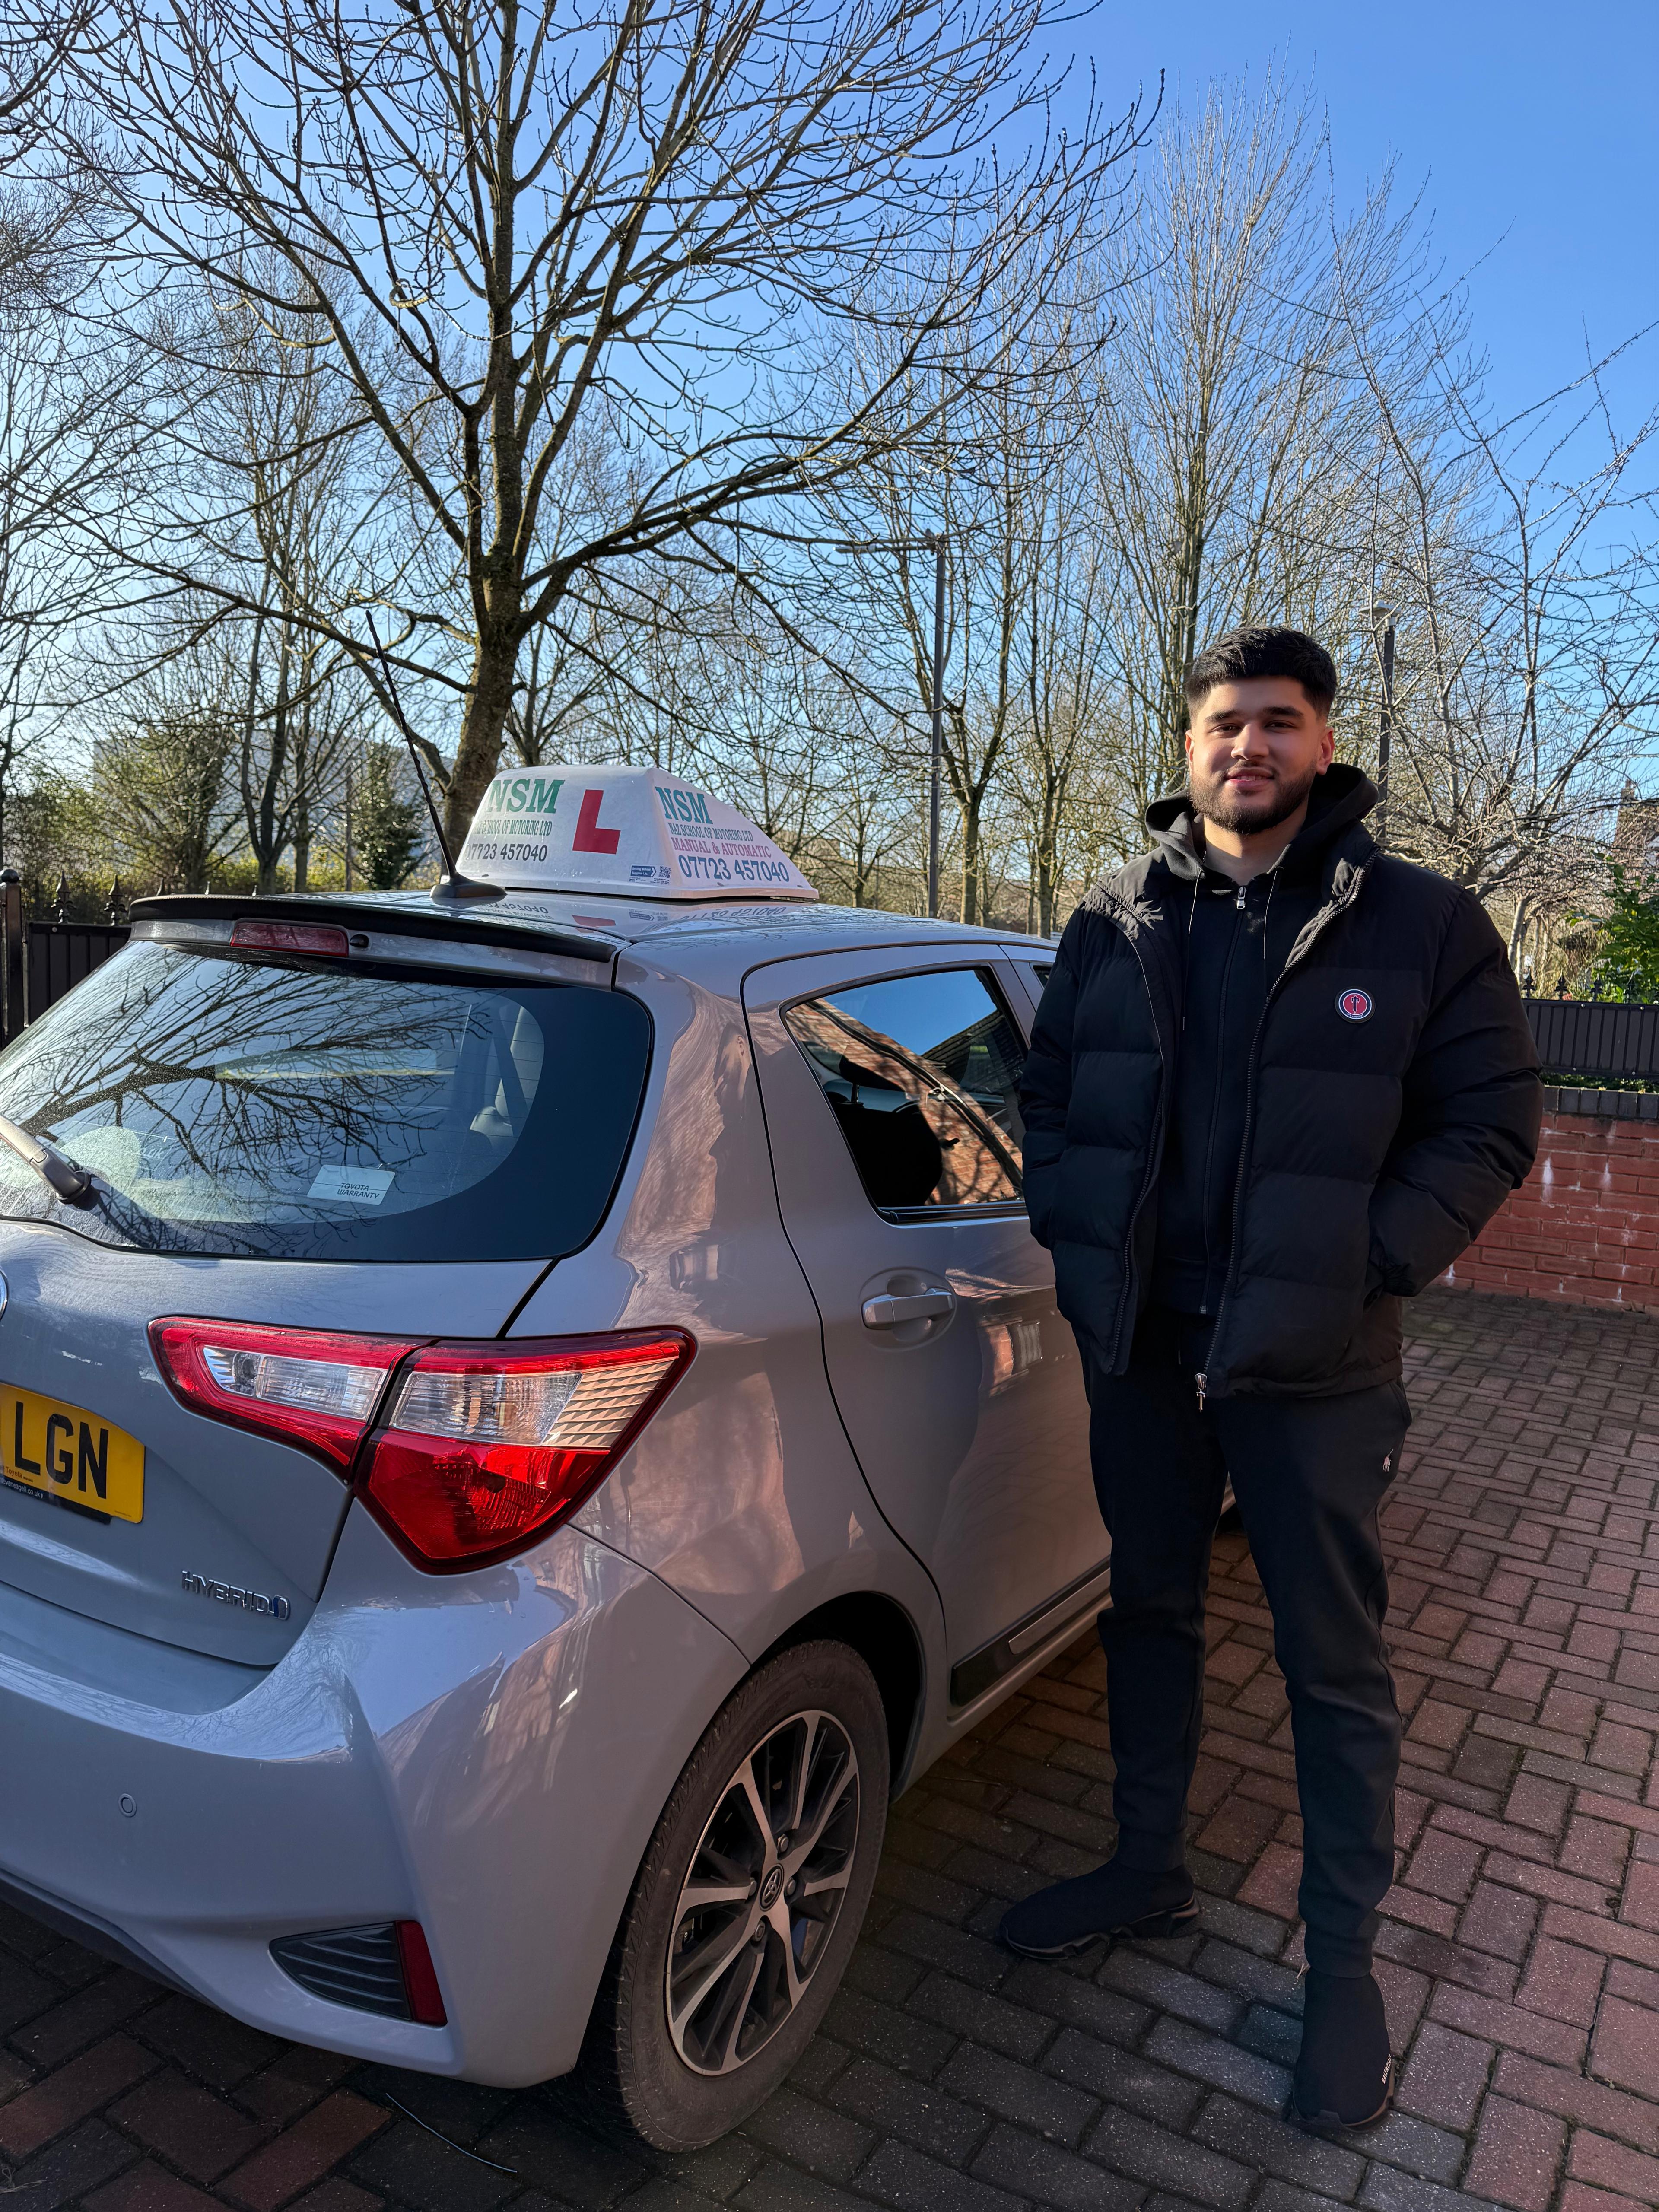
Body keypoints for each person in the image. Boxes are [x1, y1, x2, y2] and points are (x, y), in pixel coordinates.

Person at [1005, 626, 1540, 2132]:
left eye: (1278, 723)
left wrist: (1367, 1263)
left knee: (1333, 1670)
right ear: (1188, 748)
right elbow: (1051, 1099)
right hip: (1144, 1348)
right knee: (1151, 1607)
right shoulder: (1112, 919)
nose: (1249, 746)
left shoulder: (1421, 925)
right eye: (1225, 723)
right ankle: (1144, 1867)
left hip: (1317, 1367)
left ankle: (1347, 1972)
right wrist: (1076, 1232)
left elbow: (1491, 1124)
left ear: (1323, 744)